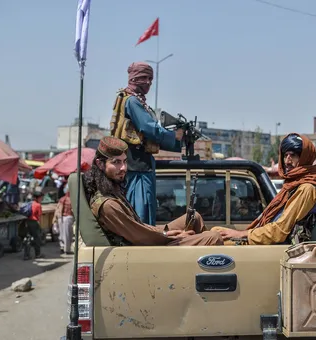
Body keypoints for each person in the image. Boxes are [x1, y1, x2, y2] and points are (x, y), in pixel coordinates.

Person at [83, 136, 223, 246]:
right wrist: (170, 236)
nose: (123, 168)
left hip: (148, 240)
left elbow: (139, 227)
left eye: (125, 161)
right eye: (116, 162)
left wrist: (165, 232)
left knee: (195, 217)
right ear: (100, 164)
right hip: (144, 250)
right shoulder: (108, 205)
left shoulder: (112, 191)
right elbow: (140, 237)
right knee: (213, 237)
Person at [213, 133, 316, 245]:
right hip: (266, 239)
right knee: (215, 231)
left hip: (276, 245)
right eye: (286, 155)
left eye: (293, 155)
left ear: (305, 158)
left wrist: (242, 234)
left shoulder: (306, 189)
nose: (287, 161)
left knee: (213, 240)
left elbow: (279, 231)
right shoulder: (293, 185)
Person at [109, 61, 184, 226]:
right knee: (141, 214)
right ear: (134, 78)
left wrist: (176, 143)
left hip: (139, 165)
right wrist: (174, 137)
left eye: (150, 78)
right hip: (138, 168)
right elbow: (148, 128)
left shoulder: (133, 100)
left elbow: (148, 134)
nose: (148, 82)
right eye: (144, 78)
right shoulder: (132, 101)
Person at [26, 191, 45, 259]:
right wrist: (41, 226)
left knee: (28, 238)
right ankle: (37, 254)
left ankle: (26, 255)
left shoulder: (30, 203)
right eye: (41, 197)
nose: (42, 199)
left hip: (28, 221)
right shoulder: (38, 205)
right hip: (34, 222)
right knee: (37, 238)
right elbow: (39, 216)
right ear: (38, 198)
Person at [55, 189, 74, 254]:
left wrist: (57, 217)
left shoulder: (62, 199)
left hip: (60, 218)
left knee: (62, 233)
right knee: (68, 234)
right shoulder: (71, 200)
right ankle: (67, 250)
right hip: (68, 217)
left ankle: (62, 247)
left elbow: (58, 208)